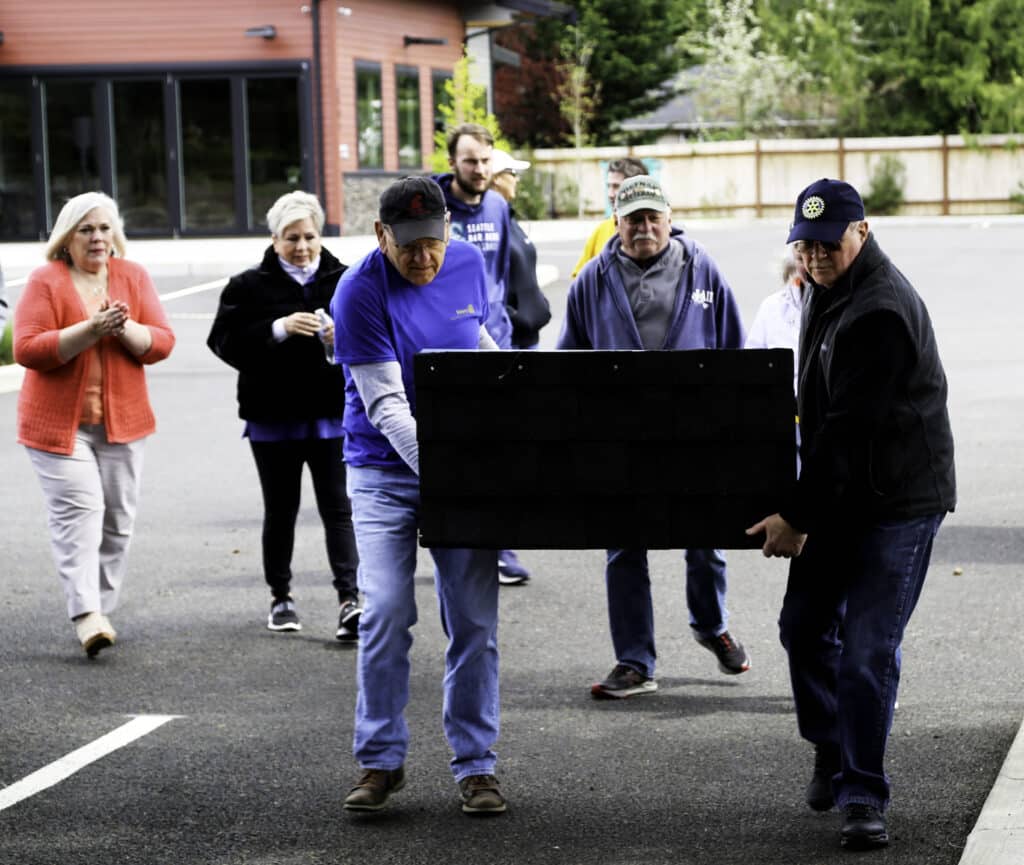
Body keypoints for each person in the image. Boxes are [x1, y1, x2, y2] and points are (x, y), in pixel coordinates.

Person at [746, 178, 956, 851]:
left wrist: (795, 516)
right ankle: (831, 743)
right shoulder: (824, 289)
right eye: (803, 245)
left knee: (867, 651)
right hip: (846, 490)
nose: (814, 255)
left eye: (827, 242)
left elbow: (846, 431)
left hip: (899, 501)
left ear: (860, 232)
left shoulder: (881, 310)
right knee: (804, 627)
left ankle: (863, 791)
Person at [332, 176, 508, 815]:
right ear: (381, 235)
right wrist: (454, 475)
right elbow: (387, 408)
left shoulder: (467, 266)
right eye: (407, 246)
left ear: (449, 232)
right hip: (383, 467)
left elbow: (481, 350)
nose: (422, 258)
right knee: (383, 613)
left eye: (432, 243)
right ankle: (379, 760)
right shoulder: (356, 292)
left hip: (459, 464)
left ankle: (477, 765)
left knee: (473, 621)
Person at [557, 174, 751, 699]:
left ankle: (712, 627)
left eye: (652, 218)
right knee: (624, 548)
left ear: (669, 219)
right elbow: (566, 365)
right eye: (632, 220)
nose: (644, 228)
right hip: (621, 441)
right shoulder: (591, 281)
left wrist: (734, 422)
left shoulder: (701, 266)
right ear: (615, 224)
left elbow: (734, 348)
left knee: (706, 538)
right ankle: (635, 661)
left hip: (694, 435)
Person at [13, 191, 175, 657]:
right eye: (86, 230)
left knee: (118, 521)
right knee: (81, 511)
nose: (97, 238)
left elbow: (161, 343)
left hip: (123, 424)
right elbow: (28, 349)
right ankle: (85, 613)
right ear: (67, 239)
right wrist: (91, 329)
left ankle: (99, 608)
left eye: (104, 228)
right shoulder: (46, 281)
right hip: (57, 428)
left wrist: (122, 328)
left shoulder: (132, 276)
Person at [207, 191, 362, 640]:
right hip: (272, 417)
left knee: (339, 508)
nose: (302, 247)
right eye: (291, 238)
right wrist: (278, 329)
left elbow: (373, 338)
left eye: (309, 236)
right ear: (274, 240)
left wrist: (337, 338)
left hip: (331, 414)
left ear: (321, 234)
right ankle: (281, 597)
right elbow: (224, 342)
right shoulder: (248, 286)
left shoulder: (345, 281)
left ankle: (349, 600)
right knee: (281, 510)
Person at [434, 123, 529, 585]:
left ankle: (501, 547)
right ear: (452, 162)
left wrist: (508, 322)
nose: (478, 168)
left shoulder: (497, 204)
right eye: (469, 160)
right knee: (455, 447)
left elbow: (505, 272)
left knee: (500, 447)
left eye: (485, 160)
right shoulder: (434, 210)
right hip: (447, 346)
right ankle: (453, 537)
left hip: (495, 341)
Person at [488, 148, 551, 352]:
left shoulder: (509, 218)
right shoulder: (490, 224)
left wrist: (538, 302)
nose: (516, 180)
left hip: (530, 338)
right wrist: (512, 315)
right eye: (512, 174)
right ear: (496, 178)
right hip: (510, 340)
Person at [571, 156, 648, 279]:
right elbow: (579, 280)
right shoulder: (601, 231)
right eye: (609, 186)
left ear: (637, 189)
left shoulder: (654, 231)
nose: (610, 194)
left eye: (616, 186)